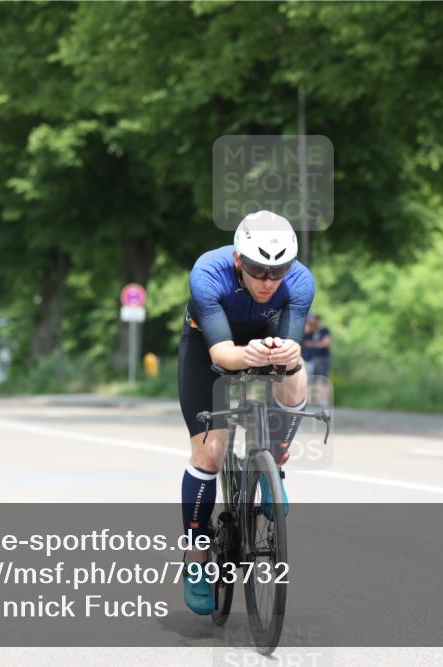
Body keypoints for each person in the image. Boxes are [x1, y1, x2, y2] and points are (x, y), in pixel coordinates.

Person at [177, 210, 313, 615]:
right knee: (209, 452)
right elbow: (222, 354)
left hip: (263, 337)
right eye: (257, 270)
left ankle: (274, 464)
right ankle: (196, 558)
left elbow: (292, 348)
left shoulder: (300, 281)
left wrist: (286, 354)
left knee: (296, 373)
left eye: (278, 271)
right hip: (208, 346)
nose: (268, 281)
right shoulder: (208, 272)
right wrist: (248, 355)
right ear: (239, 260)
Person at [301, 312, 332, 405]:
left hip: (322, 358)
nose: (311, 322)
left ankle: (324, 400)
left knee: (323, 379)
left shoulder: (324, 330)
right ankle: (311, 400)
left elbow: (326, 343)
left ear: (317, 320)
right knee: (313, 380)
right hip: (314, 359)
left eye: (313, 320)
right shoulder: (314, 331)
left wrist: (312, 344)